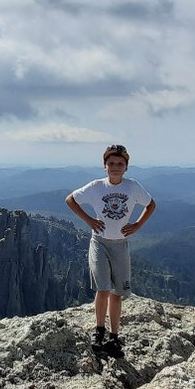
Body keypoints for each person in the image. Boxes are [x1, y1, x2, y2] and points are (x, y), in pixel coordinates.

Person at [66, 144, 156, 356]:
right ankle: (99, 330)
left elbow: (151, 205)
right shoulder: (96, 186)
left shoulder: (132, 187)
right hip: (99, 242)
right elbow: (70, 200)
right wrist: (89, 220)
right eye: (111, 163)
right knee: (103, 289)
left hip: (120, 245)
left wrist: (137, 225)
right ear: (104, 166)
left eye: (120, 164)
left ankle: (114, 336)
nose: (115, 167)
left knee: (117, 293)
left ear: (126, 167)